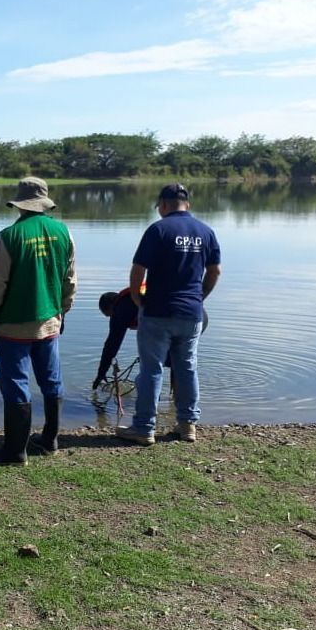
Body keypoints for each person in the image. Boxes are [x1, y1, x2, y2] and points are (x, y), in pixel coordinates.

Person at [0, 177, 77, 464]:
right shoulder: (63, 232)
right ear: (44, 203)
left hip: (14, 323)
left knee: (16, 383)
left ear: (20, 204)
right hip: (50, 320)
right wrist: (63, 310)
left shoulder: (9, 236)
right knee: (51, 380)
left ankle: (15, 450)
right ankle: (50, 439)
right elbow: (70, 279)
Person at [118, 183, 221, 446]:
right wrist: (199, 297)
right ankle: (187, 426)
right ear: (188, 204)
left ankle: (144, 428)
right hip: (191, 313)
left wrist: (137, 299)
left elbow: (138, 270)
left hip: (157, 311)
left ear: (163, 205)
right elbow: (215, 271)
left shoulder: (158, 229)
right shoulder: (206, 232)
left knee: (151, 370)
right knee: (187, 367)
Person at [93, 288, 208, 390]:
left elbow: (112, 344)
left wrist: (101, 373)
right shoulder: (134, 297)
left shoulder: (121, 307)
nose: (111, 319)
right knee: (178, 361)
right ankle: (175, 399)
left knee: (156, 364)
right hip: (198, 317)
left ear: (111, 306)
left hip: (179, 320)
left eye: (109, 315)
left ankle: (156, 400)